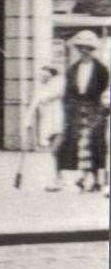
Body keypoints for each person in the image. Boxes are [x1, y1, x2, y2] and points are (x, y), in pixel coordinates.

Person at [59, 30, 108, 193]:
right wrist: (67, 108)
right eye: (81, 48)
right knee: (78, 143)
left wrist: (104, 109)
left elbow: (105, 91)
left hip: (95, 109)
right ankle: (82, 176)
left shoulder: (101, 70)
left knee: (95, 143)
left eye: (87, 48)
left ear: (92, 49)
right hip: (77, 110)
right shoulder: (73, 69)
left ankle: (96, 178)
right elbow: (68, 92)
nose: (84, 51)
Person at [26, 65, 64, 189]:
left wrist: (51, 97)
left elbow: (62, 93)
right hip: (48, 122)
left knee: (56, 150)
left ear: (51, 76)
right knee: (54, 152)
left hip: (59, 120)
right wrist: (27, 121)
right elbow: (33, 105)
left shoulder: (58, 85)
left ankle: (58, 178)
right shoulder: (40, 90)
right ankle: (58, 178)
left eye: (45, 75)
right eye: (41, 75)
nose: (42, 77)